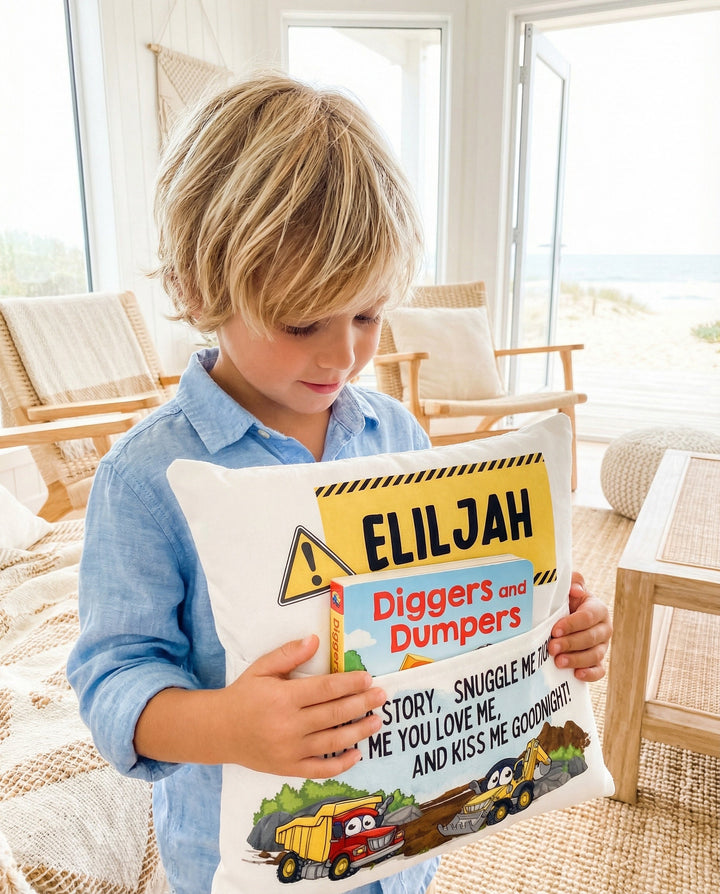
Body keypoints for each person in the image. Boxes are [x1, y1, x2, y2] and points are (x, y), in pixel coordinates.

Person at [67, 73, 611, 894]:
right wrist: (227, 724)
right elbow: (113, 679)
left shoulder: (396, 433)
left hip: (402, 844)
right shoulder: (145, 477)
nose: (343, 355)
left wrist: (545, 627)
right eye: (301, 323)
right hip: (247, 861)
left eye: (367, 315)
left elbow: (446, 602)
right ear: (197, 288)